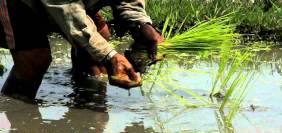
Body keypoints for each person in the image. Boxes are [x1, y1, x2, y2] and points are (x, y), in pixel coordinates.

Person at [0, 0, 163, 100]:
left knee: (98, 43)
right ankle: (14, 110)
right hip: (21, 5)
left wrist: (140, 23)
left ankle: (86, 105)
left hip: (72, 4)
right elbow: (69, 13)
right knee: (35, 61)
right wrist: (110, 56)